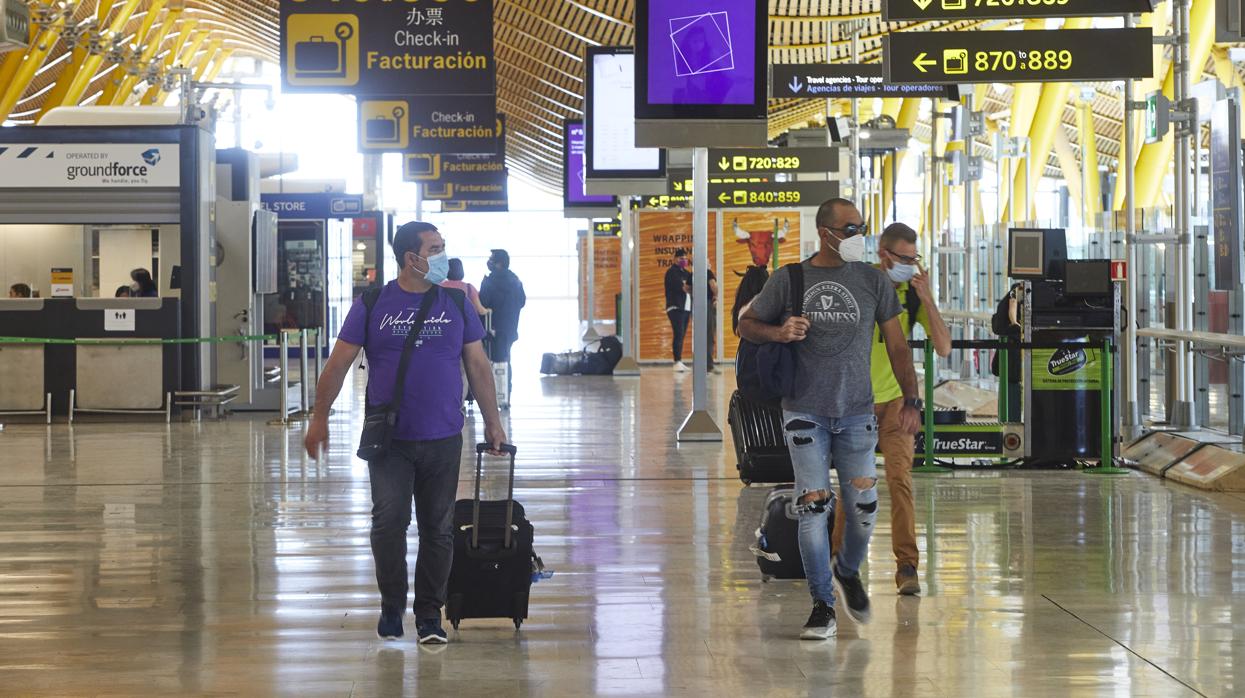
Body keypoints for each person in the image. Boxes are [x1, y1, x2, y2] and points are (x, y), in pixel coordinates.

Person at [304, 221, 507, 646]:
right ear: (411, 258)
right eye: (434, 249)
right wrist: (319, 417)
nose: (442, 256)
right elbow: (339, 363)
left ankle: (430, 615)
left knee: (439, 528)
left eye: (443, 247)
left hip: (444, 436)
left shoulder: (455, 300)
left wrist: (492, 420)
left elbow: (478, 365)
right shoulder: (374, 302)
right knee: (388, 523)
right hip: (390, 440)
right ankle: (392, 604)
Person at [739, 198, 922, 641]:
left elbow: (898, 345)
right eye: (851, 228)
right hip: (805, 411)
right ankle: (822, 604)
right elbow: (746, 325)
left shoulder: (872, 282)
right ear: (826, 233)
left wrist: (912, 397)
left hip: (857, 411)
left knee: (863, 510)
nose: (858, 235)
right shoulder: (791, 278)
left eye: (862, 227)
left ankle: (847, 568)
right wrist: (779, 332)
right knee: (813, 508)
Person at [832, 222, 951, 597]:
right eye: (905, 259)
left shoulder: (911, 294)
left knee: (900, 479)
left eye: (915, 259)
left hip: (897, 402)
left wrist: (927, 298)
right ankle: (838, 561)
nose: (911, 266)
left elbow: (944, 347)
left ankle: (907, 565)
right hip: (857, 402)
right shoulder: (860, 284)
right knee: (855, 485)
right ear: (884, 254)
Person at [479, 249, 526, 397]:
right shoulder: (515, 280)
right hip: (510, 328)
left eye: (491, 259)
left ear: (498, 263)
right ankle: (505, 391)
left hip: (492, 327)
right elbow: (522, 301)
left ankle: (496, 393)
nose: (489, 262)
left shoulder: (489, 282)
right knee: (505, 358)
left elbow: (483, 304)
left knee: (494, 359)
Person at [664, 248, 693, 371]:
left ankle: (679, 361)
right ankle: (677, 361)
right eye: (681, 259)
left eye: (686, 259)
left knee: (682, 334)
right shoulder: (672, 272)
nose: (684, 261)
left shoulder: (686, 273)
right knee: (678, 333)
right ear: (675, 259)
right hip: (675, 307)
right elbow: (685, 288)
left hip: (686, 308)